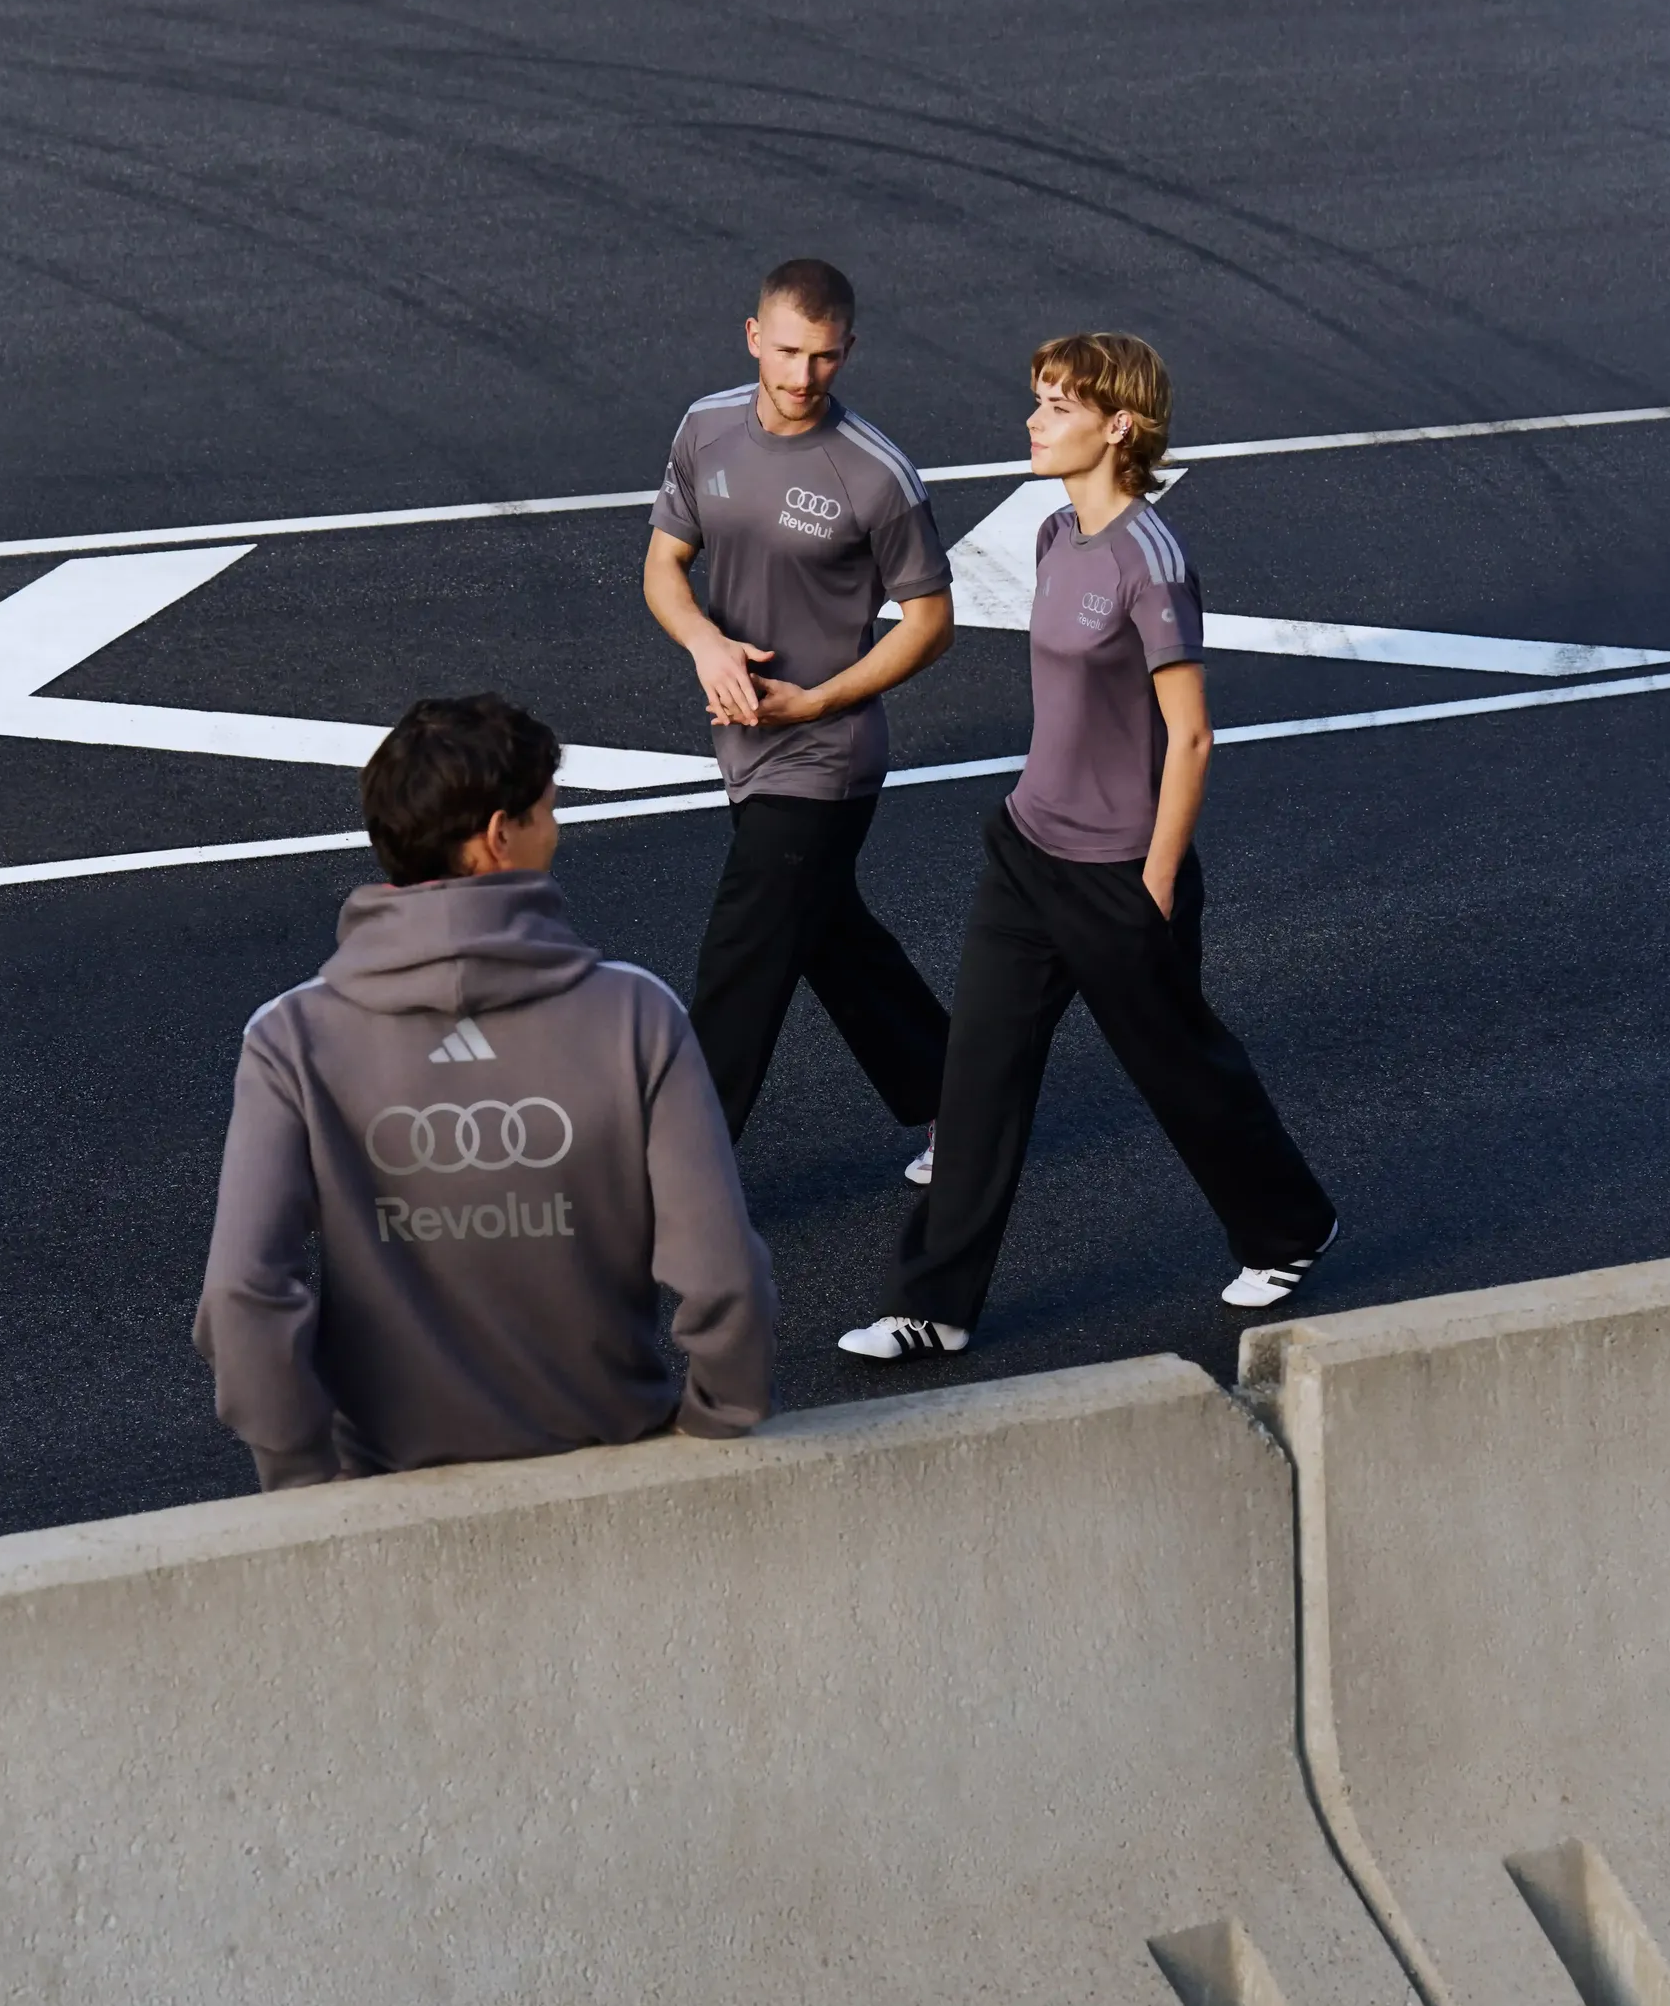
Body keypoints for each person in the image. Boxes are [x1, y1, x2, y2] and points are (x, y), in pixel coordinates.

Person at [839, 333, 1337, 1363]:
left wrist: (1155, 883)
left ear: (1118, 425)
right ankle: (933, 1302)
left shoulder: (1151, 561)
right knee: (975, 1079)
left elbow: (1191, 734)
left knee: (1180, 1071)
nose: (1032, 420)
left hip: (1121, 873)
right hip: (1027, 852)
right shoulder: (1054, 534)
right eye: (1037, 400)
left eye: (1056, 406)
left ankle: (1291, 1228)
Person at [195, 693, 776, 1487]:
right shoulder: (635, 1013)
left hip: (382, 1475)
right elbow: (723, 1275)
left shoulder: (291, 1037)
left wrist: (304, 1480)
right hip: (611, 1456)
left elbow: (243, 1292)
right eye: (546, 812)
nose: (556, 831)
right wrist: (716, 1418)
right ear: (498, 838)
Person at [643, 257, 954, 1173]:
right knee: (830, 938)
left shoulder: (874, 473)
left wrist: (816, 699)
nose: (801, 376)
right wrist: (704, 641)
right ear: (753, 336)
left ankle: (673, 1177)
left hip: (827, 755)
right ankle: (959, 1100)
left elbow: (932, 625)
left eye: (823, 358)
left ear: (847, 350)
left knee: (743, 960)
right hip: (742, 739)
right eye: (786, 351)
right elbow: (665, 567)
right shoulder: (706, 428)